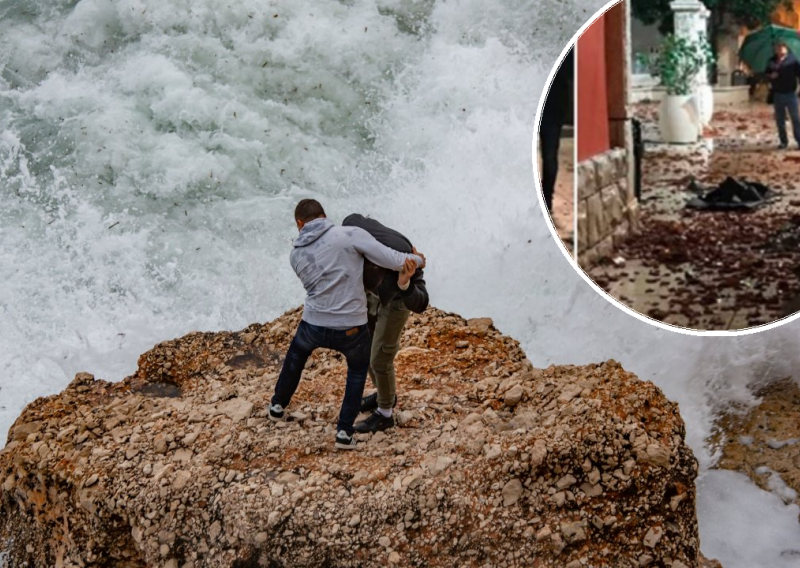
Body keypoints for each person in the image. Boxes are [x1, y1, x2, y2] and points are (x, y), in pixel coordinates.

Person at [269, 200, 425, 450]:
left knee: (296, 355)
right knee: (357, 371)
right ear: (325, 216)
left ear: (299, 224)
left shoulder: (295, 254)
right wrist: (416, 259)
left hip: (313, 324)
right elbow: (396, 261)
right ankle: (344, 433)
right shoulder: (350, 235)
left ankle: (277, 405)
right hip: (350, 327)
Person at [341, 214, 429, 433]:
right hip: (374, 295)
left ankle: (385, 414)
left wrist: (405, 283)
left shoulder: (402, 256)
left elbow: (421, 303)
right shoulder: (351, 238)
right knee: (365, 348)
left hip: (397, 300)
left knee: (380, 358)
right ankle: (384, 393)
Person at [539, 47, 574, 213]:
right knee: (550, 154)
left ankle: (544, 199)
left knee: (549, 155)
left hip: (548, 103)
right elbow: (570, 73)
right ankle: (546, 201)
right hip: (555, 102)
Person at [766, 41, 800, 150]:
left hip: (790, 94)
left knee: (795, 118)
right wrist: (771, 76)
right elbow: (765, 74)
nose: (780, 49)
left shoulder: (793, 60)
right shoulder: (771, 61)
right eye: (778, 47)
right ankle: (783, 142)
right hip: (777, 94)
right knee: (780, 120)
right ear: (775, 49)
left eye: (782, 47)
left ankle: (799, 141)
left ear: (786, 48)